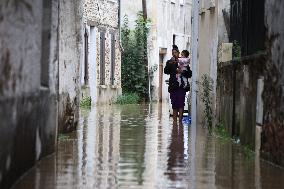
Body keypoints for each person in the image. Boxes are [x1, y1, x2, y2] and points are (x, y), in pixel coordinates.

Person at [164, 45, 192, 123]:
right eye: (173, 53)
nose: (174, 54)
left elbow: (189, 74)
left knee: (181, 104)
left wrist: (182, 72)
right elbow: (166, 71)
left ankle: (180, 122)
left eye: (175, 52)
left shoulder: (183, 61)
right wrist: (170, 63)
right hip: (173, 86)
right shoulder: (169, 62)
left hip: (181, 87)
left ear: (178, 53)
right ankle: (174, 123)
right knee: (174, 104)